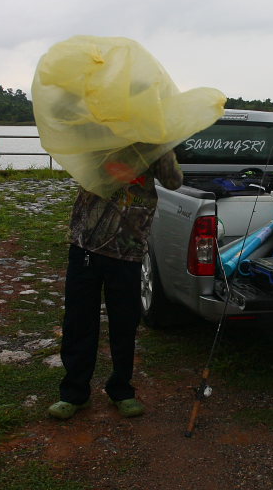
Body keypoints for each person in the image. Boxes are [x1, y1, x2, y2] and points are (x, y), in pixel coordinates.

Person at [48, 148, 183, 419]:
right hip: (86, 242)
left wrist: (163, 148)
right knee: (78, 320)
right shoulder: (97, 135)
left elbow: (173, 181)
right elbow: (78, 163)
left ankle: (121, 389)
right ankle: (74, 393)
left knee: (124, 322)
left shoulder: (154, 141)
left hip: (127, 248)